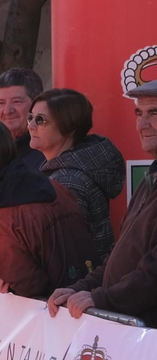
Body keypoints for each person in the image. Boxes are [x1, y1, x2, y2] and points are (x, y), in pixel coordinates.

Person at [48, 79, 157, 323]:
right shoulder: (150, 179)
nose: (142, 124)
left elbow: (153, 273)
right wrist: (80, 288)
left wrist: (102, 299)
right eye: (139, 113)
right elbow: (118, 257)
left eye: (154, 113)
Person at [0, 119, 94, 299]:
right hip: (88, 295)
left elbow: (30, 286)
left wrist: (9, 288)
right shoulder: (54, 186)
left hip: (55, 311)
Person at [29, 88, 124, 267]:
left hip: (71, 288)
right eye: (30, 117)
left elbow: (65, 255)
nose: (31, 125)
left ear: (70, 128)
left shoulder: (67, 182)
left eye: (40, 120)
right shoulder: (68, 171)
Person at [0, 68, 46, 165]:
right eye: (1, 103)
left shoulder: (47, 154)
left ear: (37, 104)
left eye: (17, 101)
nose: (7, 111)